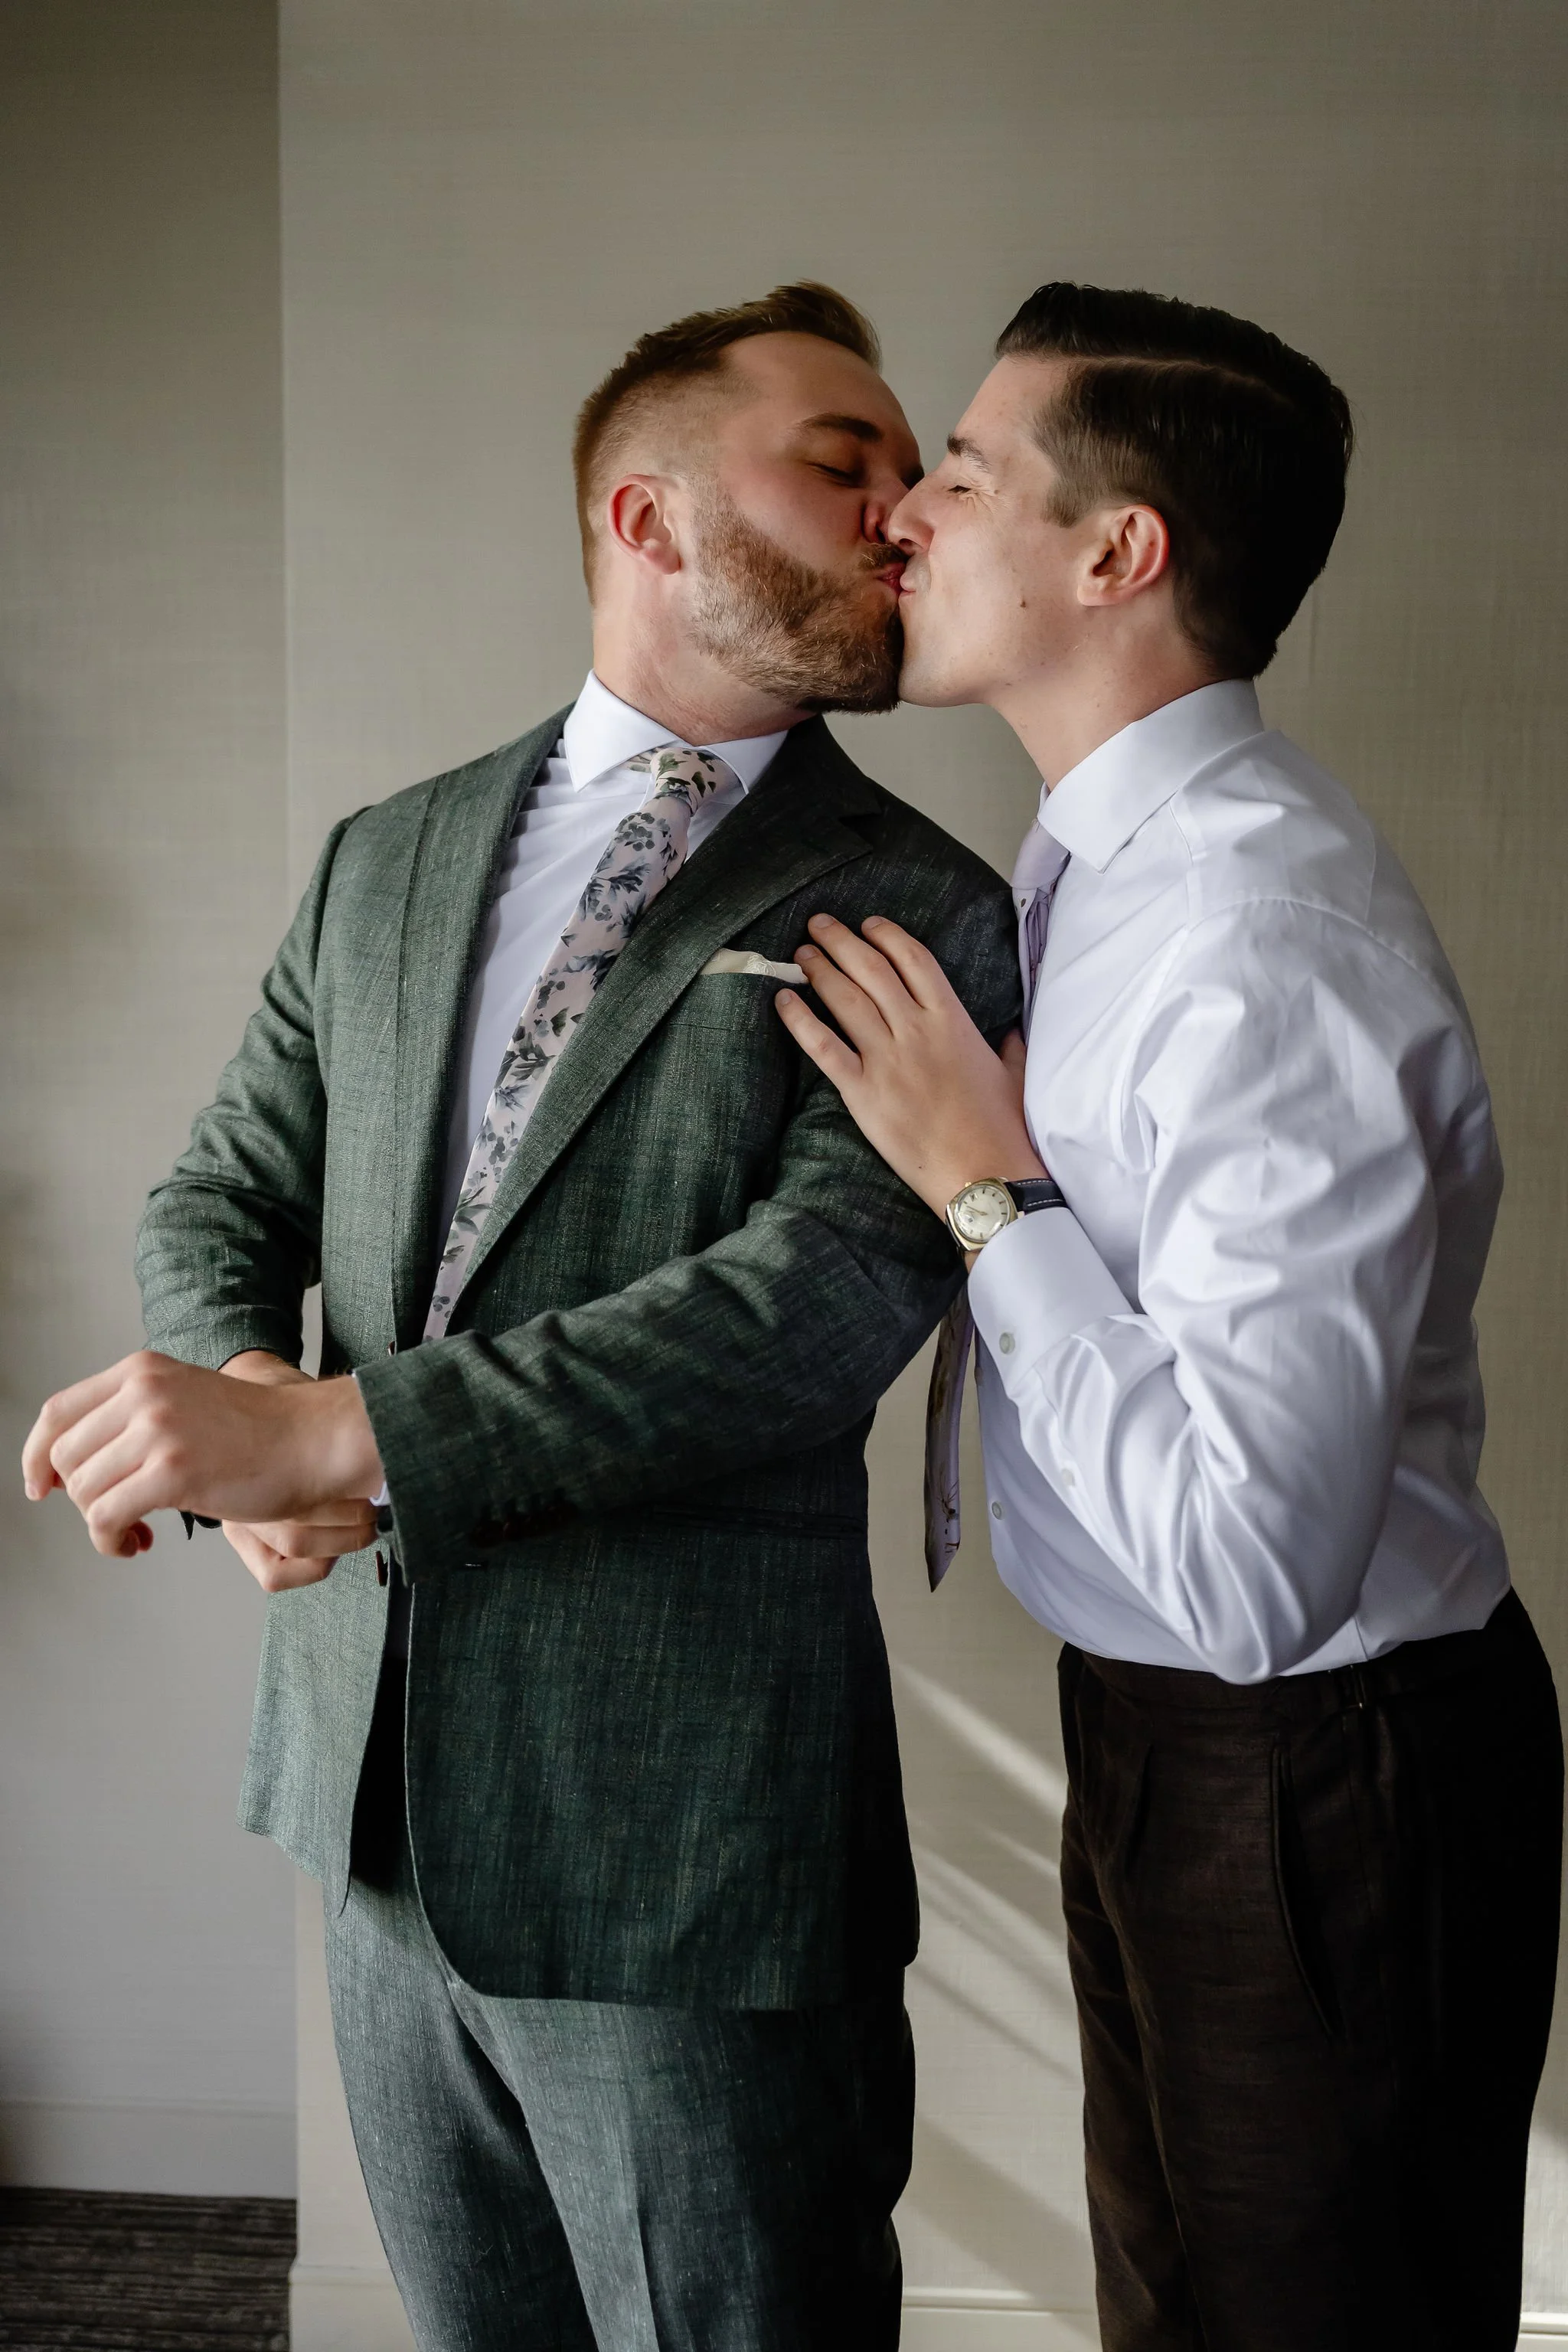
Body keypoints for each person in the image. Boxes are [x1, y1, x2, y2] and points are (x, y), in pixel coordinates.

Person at [22, 282, 1020, 2352]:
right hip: (370, 1805)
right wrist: (254, 1409)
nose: (903, 501)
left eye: (908, 464)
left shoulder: (929, 905)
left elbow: (815, 1304)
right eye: (843, 459)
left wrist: (339, 1442)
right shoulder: (385, 861)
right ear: (649, 520)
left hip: (695, 1847)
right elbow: (221, 1187)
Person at [776, 282, 1563, 2352]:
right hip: (1179, 1740)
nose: (903, 521)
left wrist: (988, 1183)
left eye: (959, 471)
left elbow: (1249, 1573)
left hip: (1318, 1768)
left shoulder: (1253, 934)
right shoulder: (1099, 872)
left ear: (1120, 555)